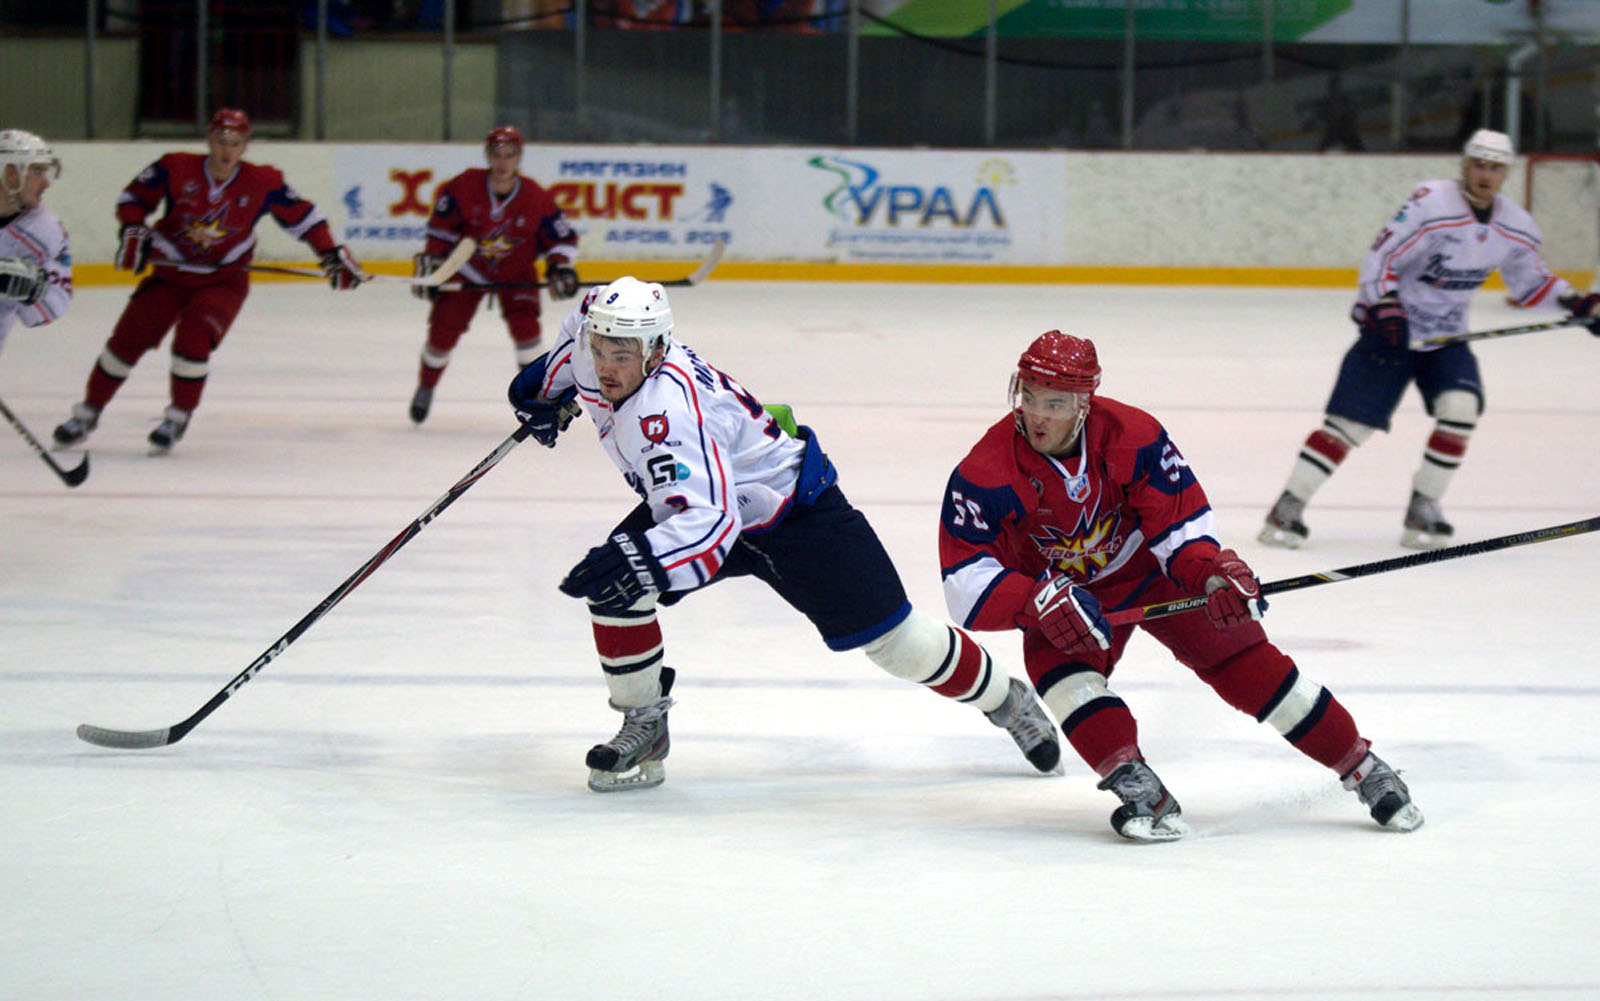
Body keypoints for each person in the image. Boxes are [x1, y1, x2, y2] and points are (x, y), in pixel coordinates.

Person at [507, 277, 1062, 792]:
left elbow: (713, 525)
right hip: (706, 494)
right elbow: (573, 337)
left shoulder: (670, 413)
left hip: (794, 512)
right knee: (617, 593)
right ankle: (645, 723)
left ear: (655, 351)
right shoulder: (596, 331)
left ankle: (1006, 699)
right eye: (601, 349)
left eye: (622, 355)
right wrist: (541, 388)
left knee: (897, 643)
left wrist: (638, 557)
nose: (606, 365)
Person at [938, 331, 1422, 841]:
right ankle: (1137, 784)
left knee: (1243, 660)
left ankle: (1363, 766)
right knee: (1061, 675)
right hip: (1065, 597)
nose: (1037, 415)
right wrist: (1036, 601)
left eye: (1054, 403)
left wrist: (1211, 574)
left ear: (1084, 403)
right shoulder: (986, 471)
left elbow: (1180, 525)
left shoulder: (1134, 434)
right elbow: (965, 583)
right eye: (1029, 396)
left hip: (1150, 572)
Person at [1260, 128, 1600, 550]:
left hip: (1446, 338)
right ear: (1464, 165)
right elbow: (1381, 256)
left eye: (1495, 168)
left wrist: (1577, 303)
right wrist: (1383, 304)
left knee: (1461, 408)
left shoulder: (1515, 224)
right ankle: (1288, 506)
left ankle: (1424, 505)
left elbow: (1530, 282)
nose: (1485, 175)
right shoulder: (1431, 203)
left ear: (1505, 173)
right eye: (1478, 165)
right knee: (1351, 426)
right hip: (1392, 332)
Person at [51, 108, 367, 454]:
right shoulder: (174, 167)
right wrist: (134, 228)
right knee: (125, 343)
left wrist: (330, 254)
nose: (226, 151)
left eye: (235, 143)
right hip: (170, 275)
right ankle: (87, 413)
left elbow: (306, 219)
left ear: (245, 146)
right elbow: (133, 199)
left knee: (193, 341)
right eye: (220, 141)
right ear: (209, 140)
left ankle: (177, 417)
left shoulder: (263, 181)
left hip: (223, 281)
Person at [407, 125, 579, 425]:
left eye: (510, 155)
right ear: (488, 155)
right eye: (497, 155)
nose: (503, 163)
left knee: (528, 336)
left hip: (517, 275)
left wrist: (560, 266)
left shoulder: (535, 196)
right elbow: (440, 229)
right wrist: (433, 265)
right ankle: (426, 385)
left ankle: (537, 402)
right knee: (441, 334)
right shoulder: (463, 186)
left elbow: (561, 238)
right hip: (467, 272)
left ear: (519, 158)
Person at [0, 129, 71, 355]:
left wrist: (34, 289)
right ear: (11, 173)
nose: (46, 183)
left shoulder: (45, 232)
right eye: (38, 171)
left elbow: (49, 311)